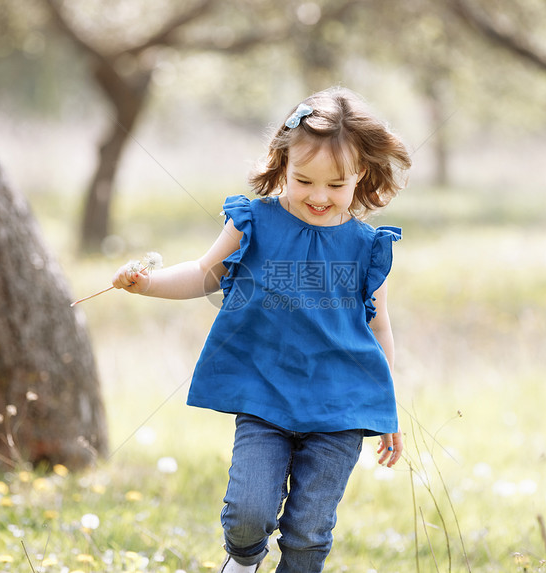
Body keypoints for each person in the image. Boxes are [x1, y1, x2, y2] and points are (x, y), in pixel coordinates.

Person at [111, 87, 411, 572]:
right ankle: (243, 561)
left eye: (336, 185)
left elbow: (379, 330)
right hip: (265, 397)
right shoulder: (253, 222)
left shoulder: (366, 247)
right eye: (304, 180)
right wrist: (145, 285)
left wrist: (386, 405)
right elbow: (205, 273)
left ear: (361, 174)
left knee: (308, 533)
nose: (318, 196)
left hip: (340, 407)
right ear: (282, 164)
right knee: (248, 514)